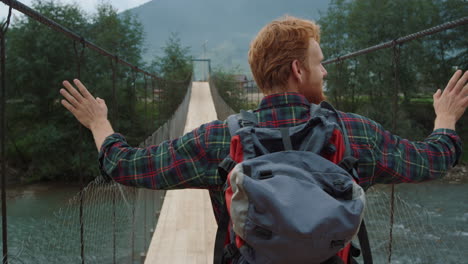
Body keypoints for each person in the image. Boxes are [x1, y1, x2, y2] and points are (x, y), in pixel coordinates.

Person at [59, 15, 466, 260]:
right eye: (319, 63)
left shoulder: (220, 138)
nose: (325, 72)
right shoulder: (352, 131)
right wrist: (445, 120)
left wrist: (98, 122)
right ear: (298, 69)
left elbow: (127, 167)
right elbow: (431, 161)